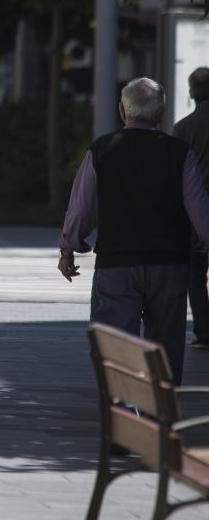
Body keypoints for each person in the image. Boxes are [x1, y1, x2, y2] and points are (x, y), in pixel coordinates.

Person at [60, 77, 209, 385]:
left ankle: (124, 417)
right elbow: (200, 211)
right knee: (165, 351)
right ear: (162, 113)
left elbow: (81, 207)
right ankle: (161, 420)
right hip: (169, 264)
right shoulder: (179, 153)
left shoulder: (102, 150)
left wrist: (68, 248)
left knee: (114, 350)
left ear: (122, 111)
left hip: (116, 262)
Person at [173, 67, 209, 348]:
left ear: (191, 93)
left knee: (195, 273)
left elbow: (176, 174)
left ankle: (204, 331)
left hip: (195, 209)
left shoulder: (182, 127)